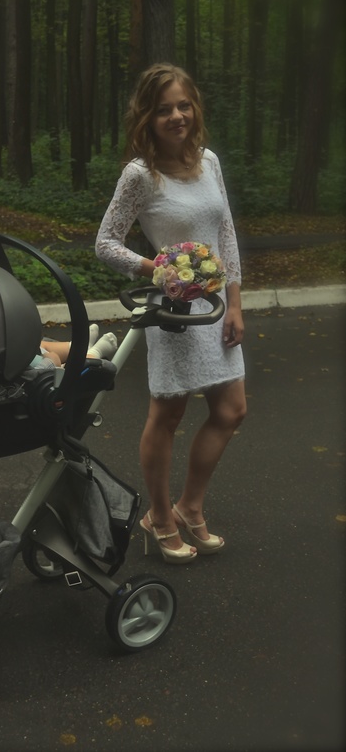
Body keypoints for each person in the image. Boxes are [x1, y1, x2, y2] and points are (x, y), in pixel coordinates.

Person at [95, 63, 247, 564]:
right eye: (164, 110)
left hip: (216, 308)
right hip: (175, 312)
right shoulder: (140, 174)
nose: (177, 116)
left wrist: (235, 303)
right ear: (148, 116)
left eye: (183, 105)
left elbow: (225, 234)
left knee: (231, 410)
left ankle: (190, 507)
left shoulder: (209, 161)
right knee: (169, 414)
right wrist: (159, 268)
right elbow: (105, 243)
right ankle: (159, 516)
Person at [30, 324, 118, 370]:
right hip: (38, 374)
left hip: (29, 357)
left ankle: (78, 347)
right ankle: (93, 354)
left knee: (39, 345)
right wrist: (52, 361)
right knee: (70, 371)